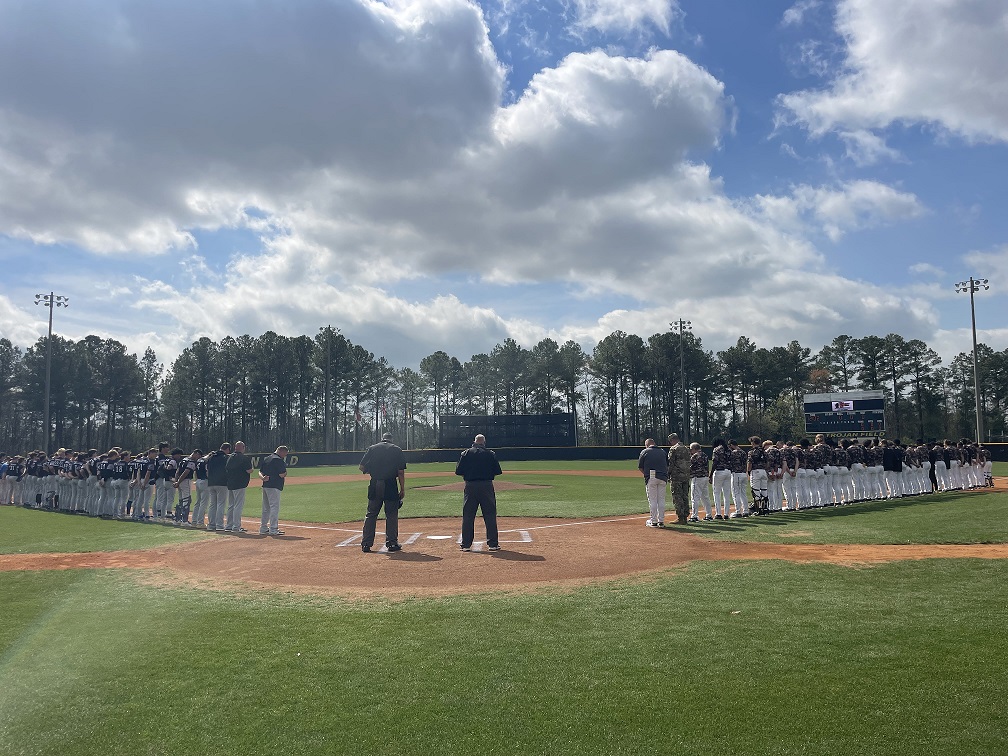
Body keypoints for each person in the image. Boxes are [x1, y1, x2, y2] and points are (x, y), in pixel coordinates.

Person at [455, 433, 503, 551]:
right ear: (484, 442)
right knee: (490, 515)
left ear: (474, 442)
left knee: (468, 515)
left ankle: (466, 544)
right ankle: (493, 544)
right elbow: (497, 471)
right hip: (486, 486)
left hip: (470, 486)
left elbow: (458, 471)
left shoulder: (465, 453)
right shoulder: (490, 454)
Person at [360, 432, 407, 553]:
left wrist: (371, 470)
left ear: (382, 439)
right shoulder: (397, 450)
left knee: (371, 514)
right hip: (390, 485)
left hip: (375, 484)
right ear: (391, 440)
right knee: (391, 514)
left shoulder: (372, 448)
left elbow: (361, 467)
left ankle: (366, 544)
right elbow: (400, 472)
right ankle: (391, 543)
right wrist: (402, 488)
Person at [638, 438, 668, 528]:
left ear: (647, 445)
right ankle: (661, 521)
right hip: (663, 477)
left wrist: (646, 475)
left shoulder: (645, 451)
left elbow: (640, 467)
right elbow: (667, 464)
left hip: (651, 477)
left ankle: (654, 521)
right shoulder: (663, 452)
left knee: (653, 500)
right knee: (661, 499)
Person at [224, 441, 253, 533]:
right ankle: (236, 526)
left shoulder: (230, 457)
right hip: (240, 484)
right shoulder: (243, 458)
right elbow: (249, 470)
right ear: (243, 448)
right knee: (238, 505)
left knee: (231, 505)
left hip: (230, 483)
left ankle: (229, 525)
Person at [258, 445, 288, 536]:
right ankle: (273, 529)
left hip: (266, 485)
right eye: (285, 454)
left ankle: (263, 528)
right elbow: (282, 474)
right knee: (274, 507)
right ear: (281, 451)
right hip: (274, 486)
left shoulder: (267, 458)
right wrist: (286, 473)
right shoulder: (278, 460)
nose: (285, 456)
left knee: (266, 508)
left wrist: (263, 478)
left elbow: (260, 472)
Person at [205, 442, 231, 531]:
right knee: (220, 504)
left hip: (211, 483)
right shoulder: (225, 458)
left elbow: (207, 471)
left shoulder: (211, 457)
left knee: (212, 504)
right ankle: (219, 525)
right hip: (222, 483)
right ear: (227, 449)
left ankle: (211, 524)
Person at [666, 433, 691, 525]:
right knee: (685, 496)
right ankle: (685, 515)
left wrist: (668, 474)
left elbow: (671, 463)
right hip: (686, 475)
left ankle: (680, 517)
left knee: (677, 496)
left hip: (676, 476)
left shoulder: (674, 449)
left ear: (672, 440)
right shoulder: (686, 448)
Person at [688, 443, 712, 522]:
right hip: (704, 477)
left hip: (697, 478)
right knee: (705, 497)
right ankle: (709, 515)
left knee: (695, 498)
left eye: (691, 449)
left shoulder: (695, 456)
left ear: (695, 448)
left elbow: (690, 466)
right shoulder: (705, 455)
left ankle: (694, 516)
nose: (690, 451)